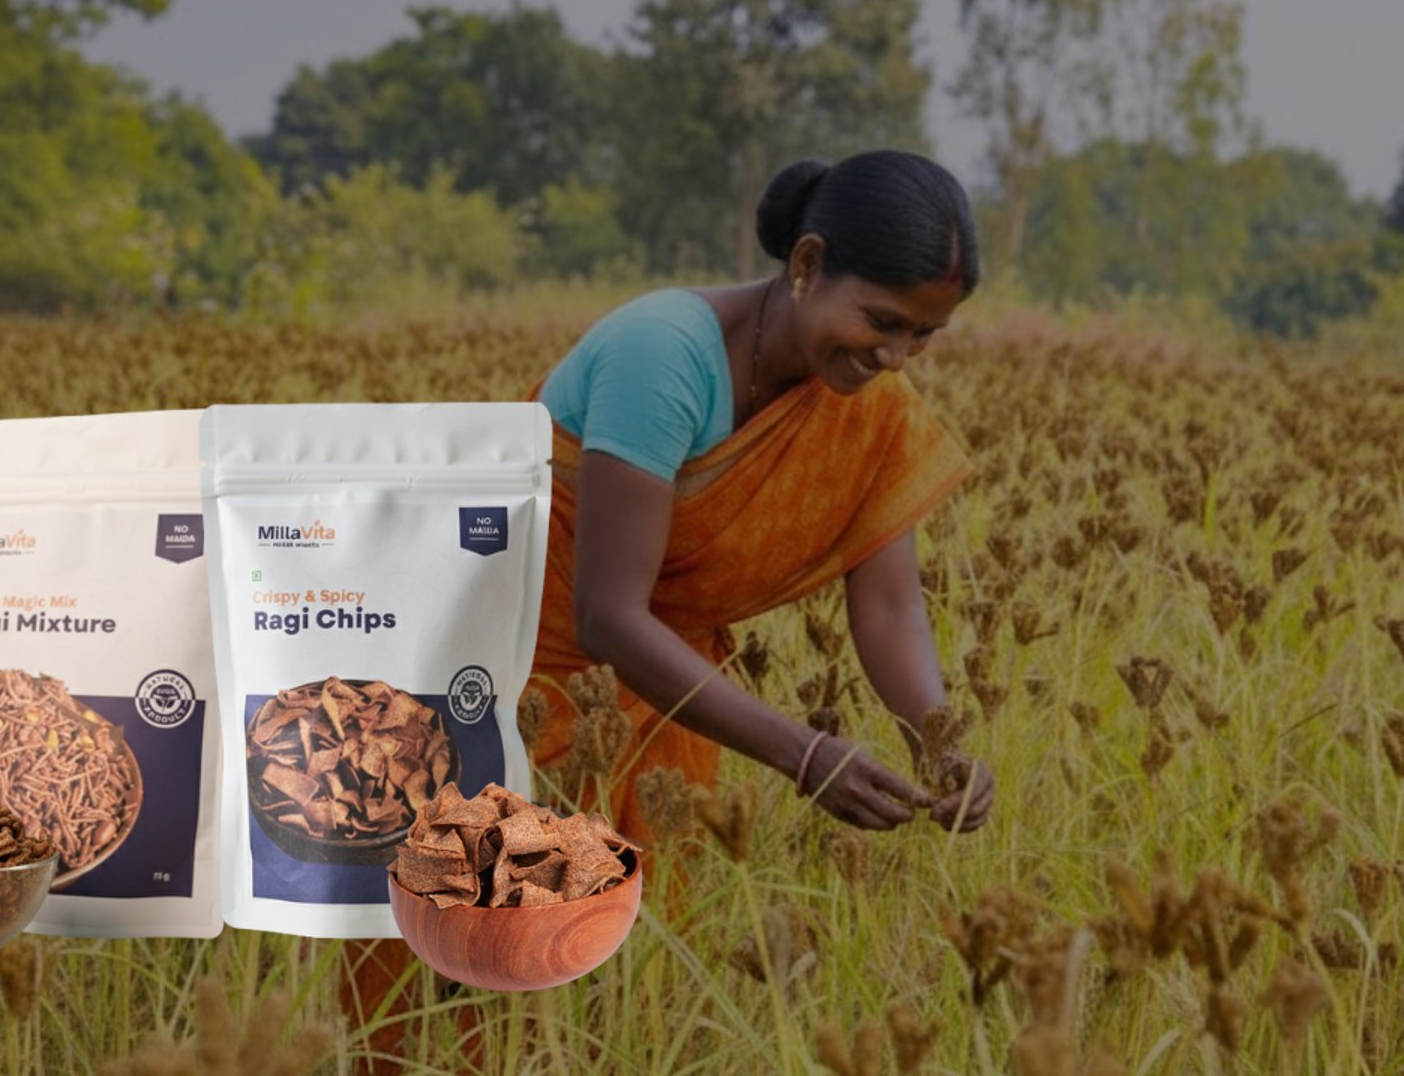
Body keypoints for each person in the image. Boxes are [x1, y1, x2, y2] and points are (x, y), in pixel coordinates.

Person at [340, 148, 997, 1073]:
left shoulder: (865, 406)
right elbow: (608, 616)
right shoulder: (666, 354)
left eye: (924, 337)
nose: (894, 358)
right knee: (473, 979)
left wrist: (936, 735)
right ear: (806, 265)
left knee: (636, 1001)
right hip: (508, 695)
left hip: (666, 711)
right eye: (882, 321)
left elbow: (888, 606)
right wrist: (803, 754)